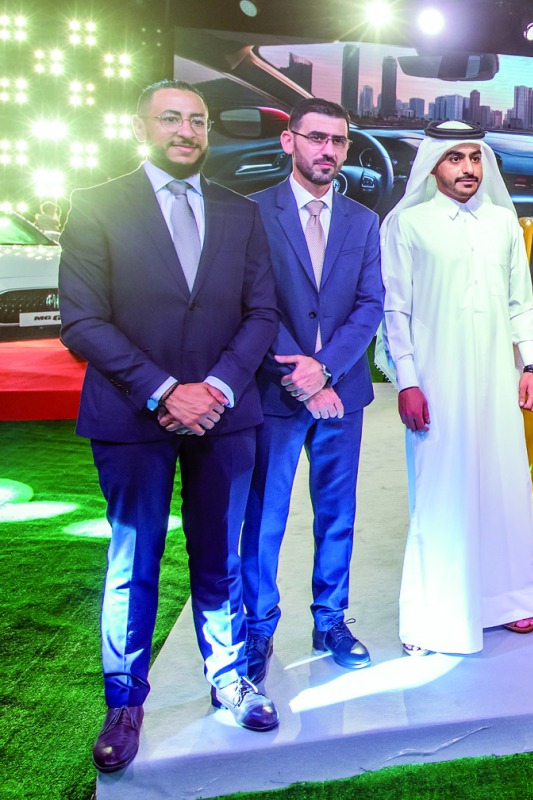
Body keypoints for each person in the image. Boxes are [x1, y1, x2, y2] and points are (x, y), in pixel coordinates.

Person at [58, 79, 281, 773]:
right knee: (135, 560)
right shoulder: (96, 206)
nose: (186, 131)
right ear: (142, 126)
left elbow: (261, 315)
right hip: (131, 415)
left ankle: (229, 678)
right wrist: (163, 391)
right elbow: (82, 320)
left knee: (222, 557)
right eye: (171, 118)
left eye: (198, 120)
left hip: (225, 413)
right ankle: (125, 701)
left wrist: (212, 388)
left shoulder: (240, 213)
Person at [377, 120, 533, 655]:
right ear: (433, 165)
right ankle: (434, 615)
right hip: (437, 379)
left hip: (499, 376)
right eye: (455, 158)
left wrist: (531, 368)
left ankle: (510, 600)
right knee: (441, 490)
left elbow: (521, 302)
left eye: (475, 157)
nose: (468, 168)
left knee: (501, 482)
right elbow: (395, 308)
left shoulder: (502, 223)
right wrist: (407, 380)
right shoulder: (408, 225)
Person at [240, 98, 383, 684]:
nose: (328, 150)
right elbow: (251, 305)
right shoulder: (252, 215)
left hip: (341, 395)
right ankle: (257, 627)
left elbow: (370, 305)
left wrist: (324, 369)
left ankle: (330, 620)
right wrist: (298, 376)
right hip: (273, 397)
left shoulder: (362, 221)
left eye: (339, 141)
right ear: (289, 142)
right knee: (265, 517)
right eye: (316, 137)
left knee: (337, 515)